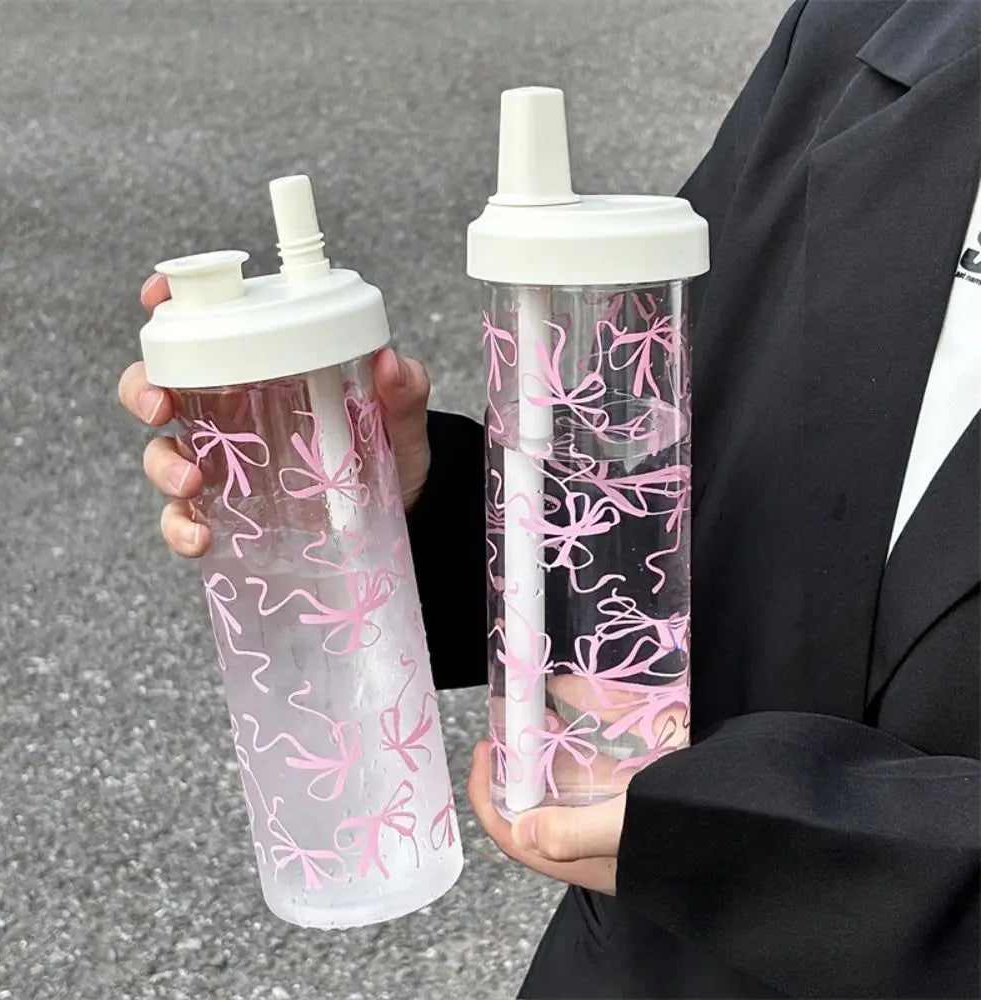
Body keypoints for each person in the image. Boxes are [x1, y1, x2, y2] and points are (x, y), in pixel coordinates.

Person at [119, 1, 980, 996]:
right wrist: (394, 513)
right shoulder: (880, 31)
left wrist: (785, 841)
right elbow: (645, 502)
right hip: (648, 959)